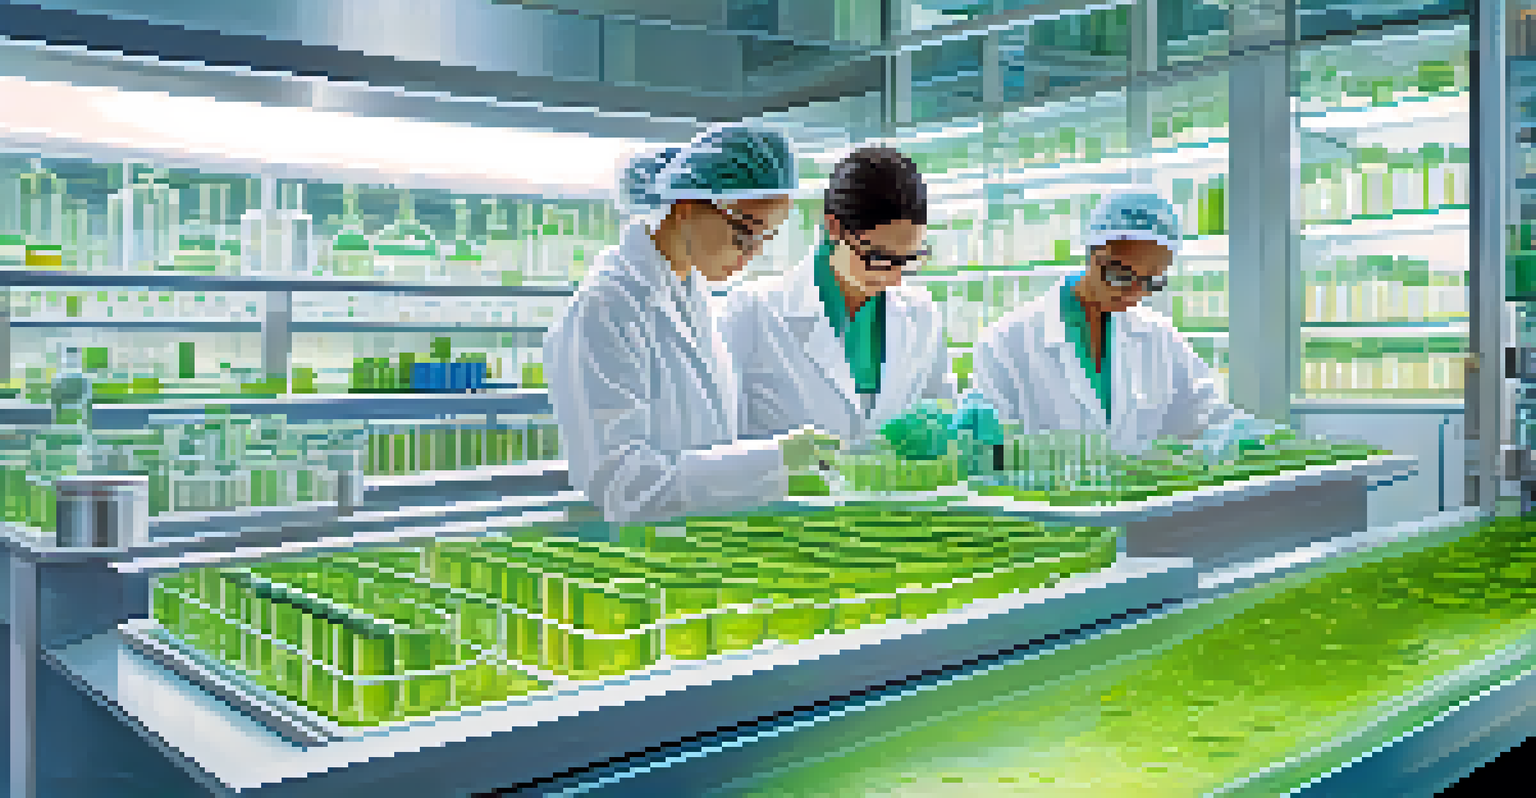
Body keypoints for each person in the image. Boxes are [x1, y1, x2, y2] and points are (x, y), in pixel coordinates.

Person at [544, 124, 840, 525]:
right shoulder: (608, 307)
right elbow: (626, 487)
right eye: (744, 233)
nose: (751, 254)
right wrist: (774, 462)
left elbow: (710, 448)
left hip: (700, 546)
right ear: (686, 206)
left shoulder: (696, 299)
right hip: (633, 559)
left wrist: (778, 475)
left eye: (765, 239)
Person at [973, 187, 1271, 456]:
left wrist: (1254, 438)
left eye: (1150, 282)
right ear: (1091, 253)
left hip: (1144, 510)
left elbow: (1207, 418)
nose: (1134, 295)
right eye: (1121, 276)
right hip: (1051, 511)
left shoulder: (1160, 338)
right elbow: (991, 454)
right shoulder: (1006, 342)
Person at [721, 146, 953, 447]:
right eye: (880, 259)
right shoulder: (750, 312)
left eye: (910, 259)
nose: (896, 279)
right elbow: (718, 444)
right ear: (834, 228)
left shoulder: (922, 314)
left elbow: (941, 415)